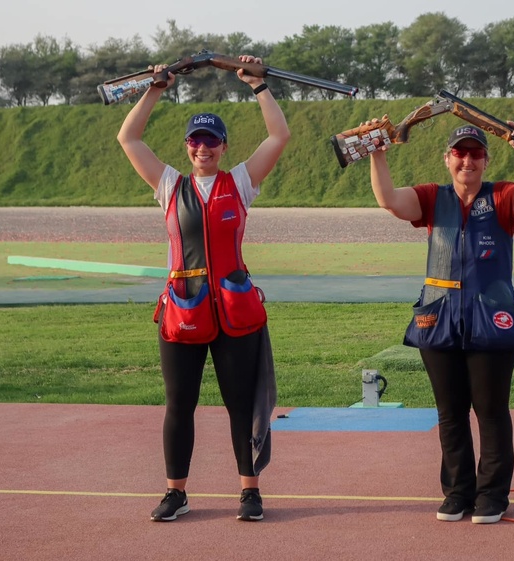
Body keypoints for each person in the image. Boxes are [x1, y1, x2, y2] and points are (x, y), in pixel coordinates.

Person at [116, 55, 289, 522]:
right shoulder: (169, 184)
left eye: (211, 141)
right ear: (188, 147)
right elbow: (128, 137)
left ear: (224, 146)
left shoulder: (242, 183)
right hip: (183, 311)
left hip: (235, 312)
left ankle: (249, 492)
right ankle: (176, 493)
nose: (203, 148)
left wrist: (258, 86)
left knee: (240, 404)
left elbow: (279, 136)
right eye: (196, 141)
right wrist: (156, 87)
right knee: (179, 405)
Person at [367, 122, 514, 524]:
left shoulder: (501, 195)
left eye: (475, 154)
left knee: (491, 411)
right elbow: (390, 200)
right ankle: (457, 493)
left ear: (485, 160)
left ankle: (492, 496)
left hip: (492, 322)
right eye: (459, 154)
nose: (467, 161)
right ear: (447, 159)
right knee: (449, 413)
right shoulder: (433, 197)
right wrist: (377, 152)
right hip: (439, 320)